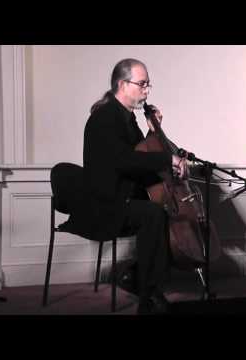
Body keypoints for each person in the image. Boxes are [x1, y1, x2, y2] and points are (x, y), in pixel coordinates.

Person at [69, 58, 188, 314]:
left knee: (161, 212)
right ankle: (148, 295)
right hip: (106, 204)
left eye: (148, 85)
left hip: (124, 197)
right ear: (123, 84)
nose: (147, 90)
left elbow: (142, 153)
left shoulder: (126, 117)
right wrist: (168, 158)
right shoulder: (105, 118)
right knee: (154, 214)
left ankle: (137, 278)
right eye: (142, 84)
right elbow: (125, 160)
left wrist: (155, 131)